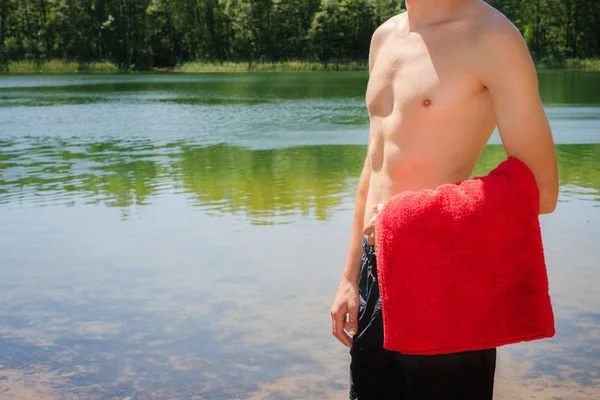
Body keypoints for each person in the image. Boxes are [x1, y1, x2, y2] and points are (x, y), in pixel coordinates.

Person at [329, 0, 559, 399]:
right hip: (375, 271)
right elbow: (375, 163)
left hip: (444, 276)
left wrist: (406, 218)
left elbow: (540, 189)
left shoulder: (491, 35)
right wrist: (350, 276)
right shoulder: (384, 37)